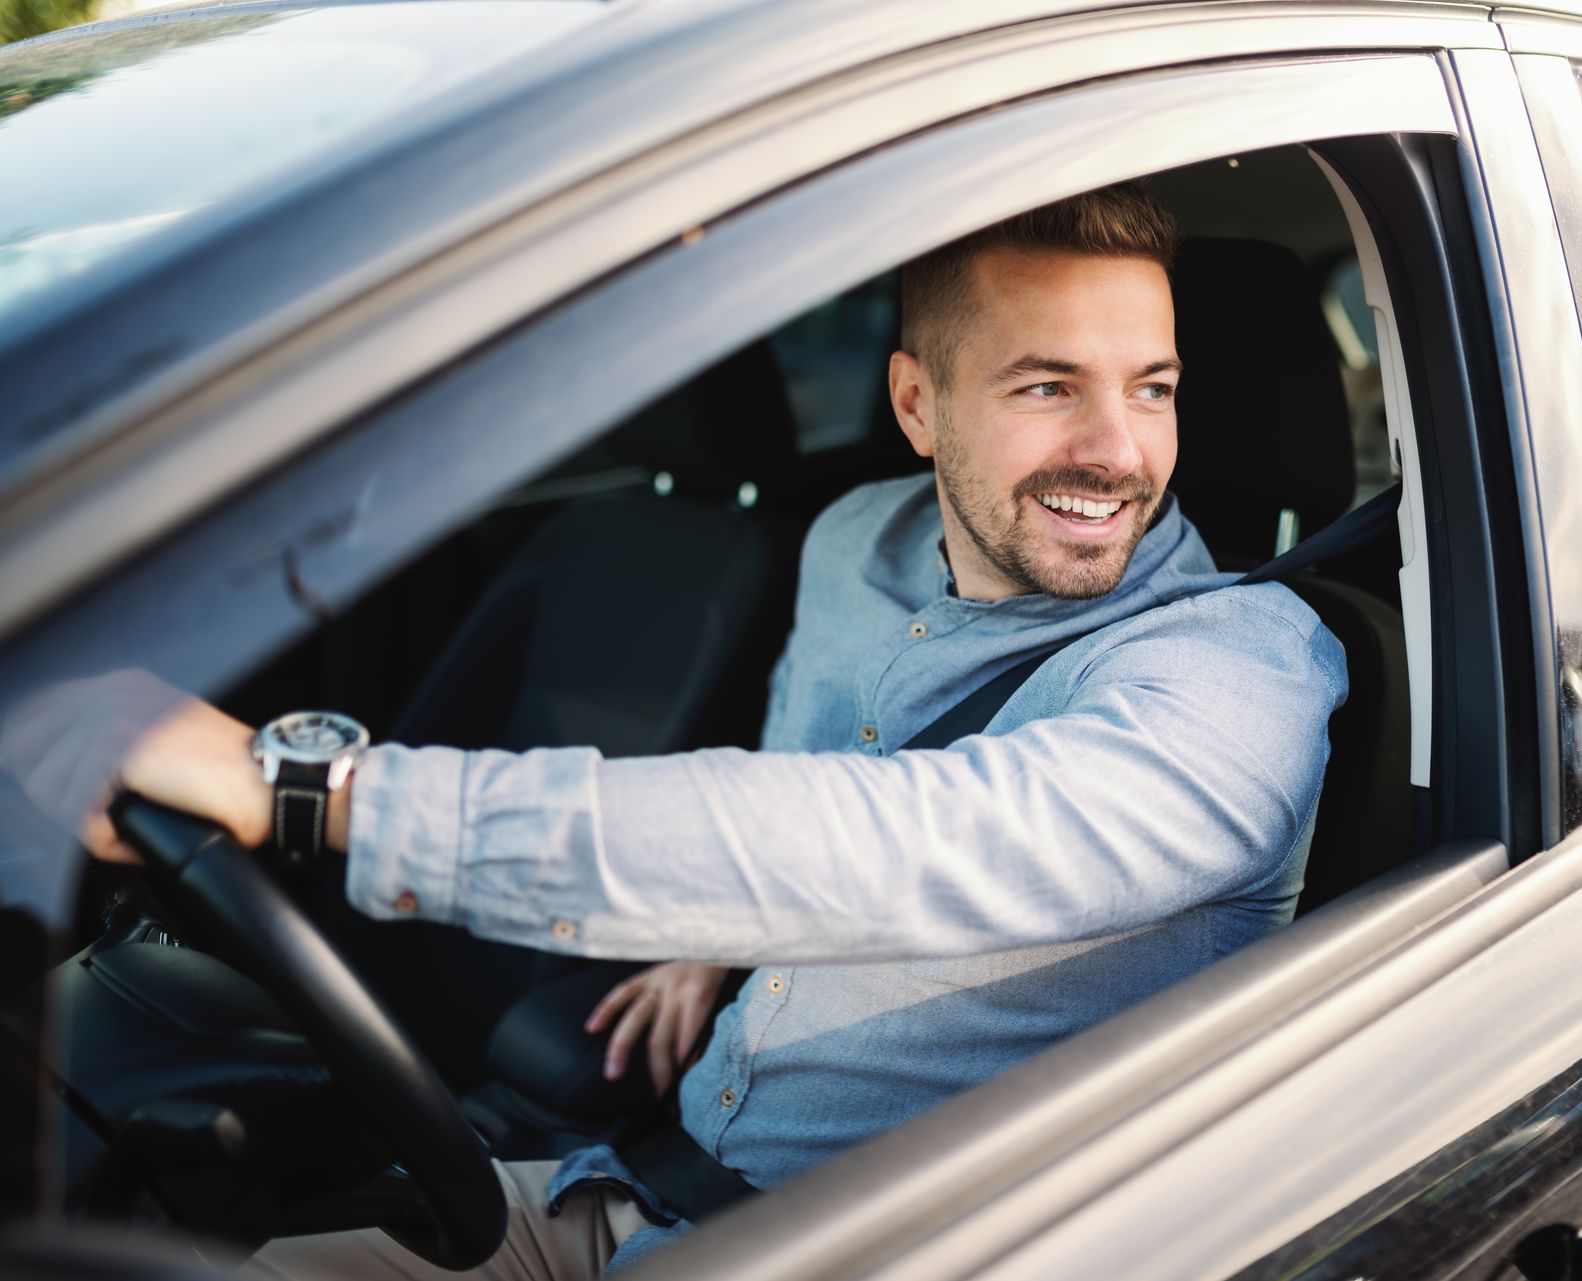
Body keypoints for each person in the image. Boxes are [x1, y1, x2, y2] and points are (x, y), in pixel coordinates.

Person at [54, 183, 1347, 1277]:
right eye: (1050, 386)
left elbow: (889, 842)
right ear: (915, 406)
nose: (1119, 449)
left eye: (1155, 387)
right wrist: (713, 938)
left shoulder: (1240, 680)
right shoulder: (855, 544)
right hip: (636, 1182)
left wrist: (304, 786)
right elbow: (790, 788)